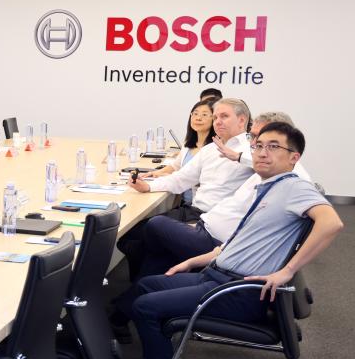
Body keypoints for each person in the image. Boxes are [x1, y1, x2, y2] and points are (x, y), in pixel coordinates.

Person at [116, 122, 342, 359]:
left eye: (273, 147)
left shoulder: (294, 187)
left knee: (145, 307)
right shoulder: (268, 188)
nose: (262, 152)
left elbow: (331, 223)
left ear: (293, 158)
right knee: (148, 285)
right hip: (216, 276)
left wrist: (287, 272)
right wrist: (193, 261)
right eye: (258, 146)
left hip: (237, 291)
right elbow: (237, 243)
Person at [136, 112, 311, 279]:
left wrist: (289, 270)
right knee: (148, 246)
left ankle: (145, 287)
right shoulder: (264, 172)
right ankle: (148, 285)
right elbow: (182, 178)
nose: (255, 144)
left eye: (267, 142)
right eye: (254, 138)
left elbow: (326, 219)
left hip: (218, 243)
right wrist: (149, 186)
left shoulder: (291, 179)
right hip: (207, 228)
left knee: (154, 228)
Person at [128, 97, 254, 221]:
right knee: (135, 228)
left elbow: (266, 171)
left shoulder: (252, 149)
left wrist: (239, 157)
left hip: (220, 219)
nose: (217, 122)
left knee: (153, 225)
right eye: (215, 118)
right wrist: (148, 186)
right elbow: (181, 178)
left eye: (224, 116)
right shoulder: (209, 149)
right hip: (194, 211)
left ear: (241, 120)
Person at [144, 99, 215, 181]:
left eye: (204, 115)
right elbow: (175, 166)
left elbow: (201, 179)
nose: (198, 118)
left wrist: (167, 176)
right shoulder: (188, 144)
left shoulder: (214, 148)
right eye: (195, 114)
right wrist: (154, 173)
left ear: (215, 119)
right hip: (181, 187)